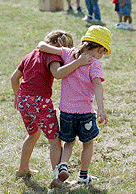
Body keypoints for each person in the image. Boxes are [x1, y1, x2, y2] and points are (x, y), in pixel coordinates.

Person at [11, 30, 92, 184]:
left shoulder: (30, 55)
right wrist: (78, 62)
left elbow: (14, 77)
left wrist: (17, 95)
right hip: (39, 102)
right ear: (60, 47)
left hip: (24, 100)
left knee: (33, 134)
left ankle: (23, 169)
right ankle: (57, 177)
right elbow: (58, 74)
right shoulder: (52, 56)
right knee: (55, 140)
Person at [38, 25, 111, 187]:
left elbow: (41, 46)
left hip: (65, 112)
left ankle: (63, 165)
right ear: (99, 49)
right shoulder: (95, 64)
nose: (102, 56)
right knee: (88, 143)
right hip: (85, 113)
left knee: (68, 143)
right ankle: (83, 176)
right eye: (104, 52)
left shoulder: (68, 53)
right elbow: (98, 85)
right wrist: (101, 108)